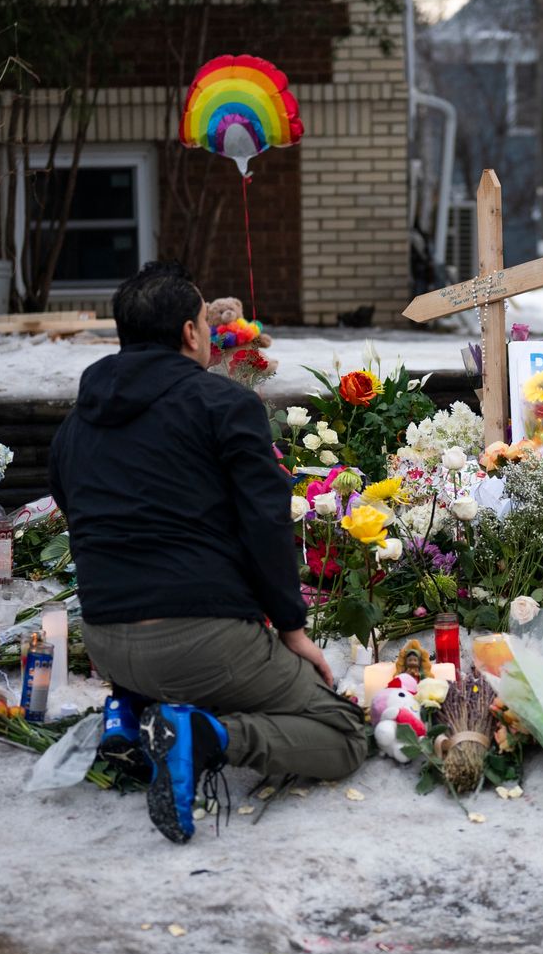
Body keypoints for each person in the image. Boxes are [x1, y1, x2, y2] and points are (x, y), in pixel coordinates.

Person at [48, 262, 364, 842]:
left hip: (107, 642)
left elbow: (79, 519)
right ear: (192, 334)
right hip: (201, 640)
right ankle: (204, 737)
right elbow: (266, 521)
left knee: (172, 667)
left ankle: (132, 715)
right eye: (201, 319)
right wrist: (292, 630)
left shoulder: (76, 423)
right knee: (342, 733)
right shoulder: (222, 404)